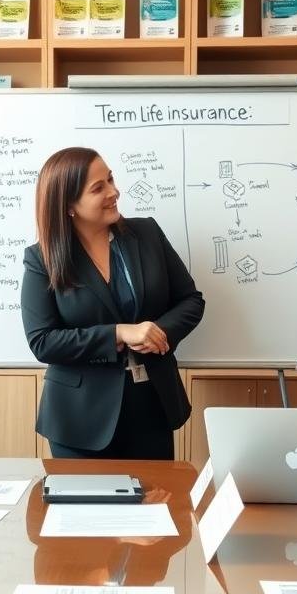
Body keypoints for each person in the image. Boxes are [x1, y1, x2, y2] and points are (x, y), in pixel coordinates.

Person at [21, 146, 204, 459]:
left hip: (152, 406)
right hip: (80, 419)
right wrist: (118, 333)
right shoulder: (42, 259)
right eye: (98, 188)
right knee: (85, 508)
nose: (114, 192)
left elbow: (190, 300)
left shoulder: (146, 233)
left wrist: (158, 332)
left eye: (110, 179)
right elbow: (42, 341)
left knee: (153, 506)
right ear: (69, 206)